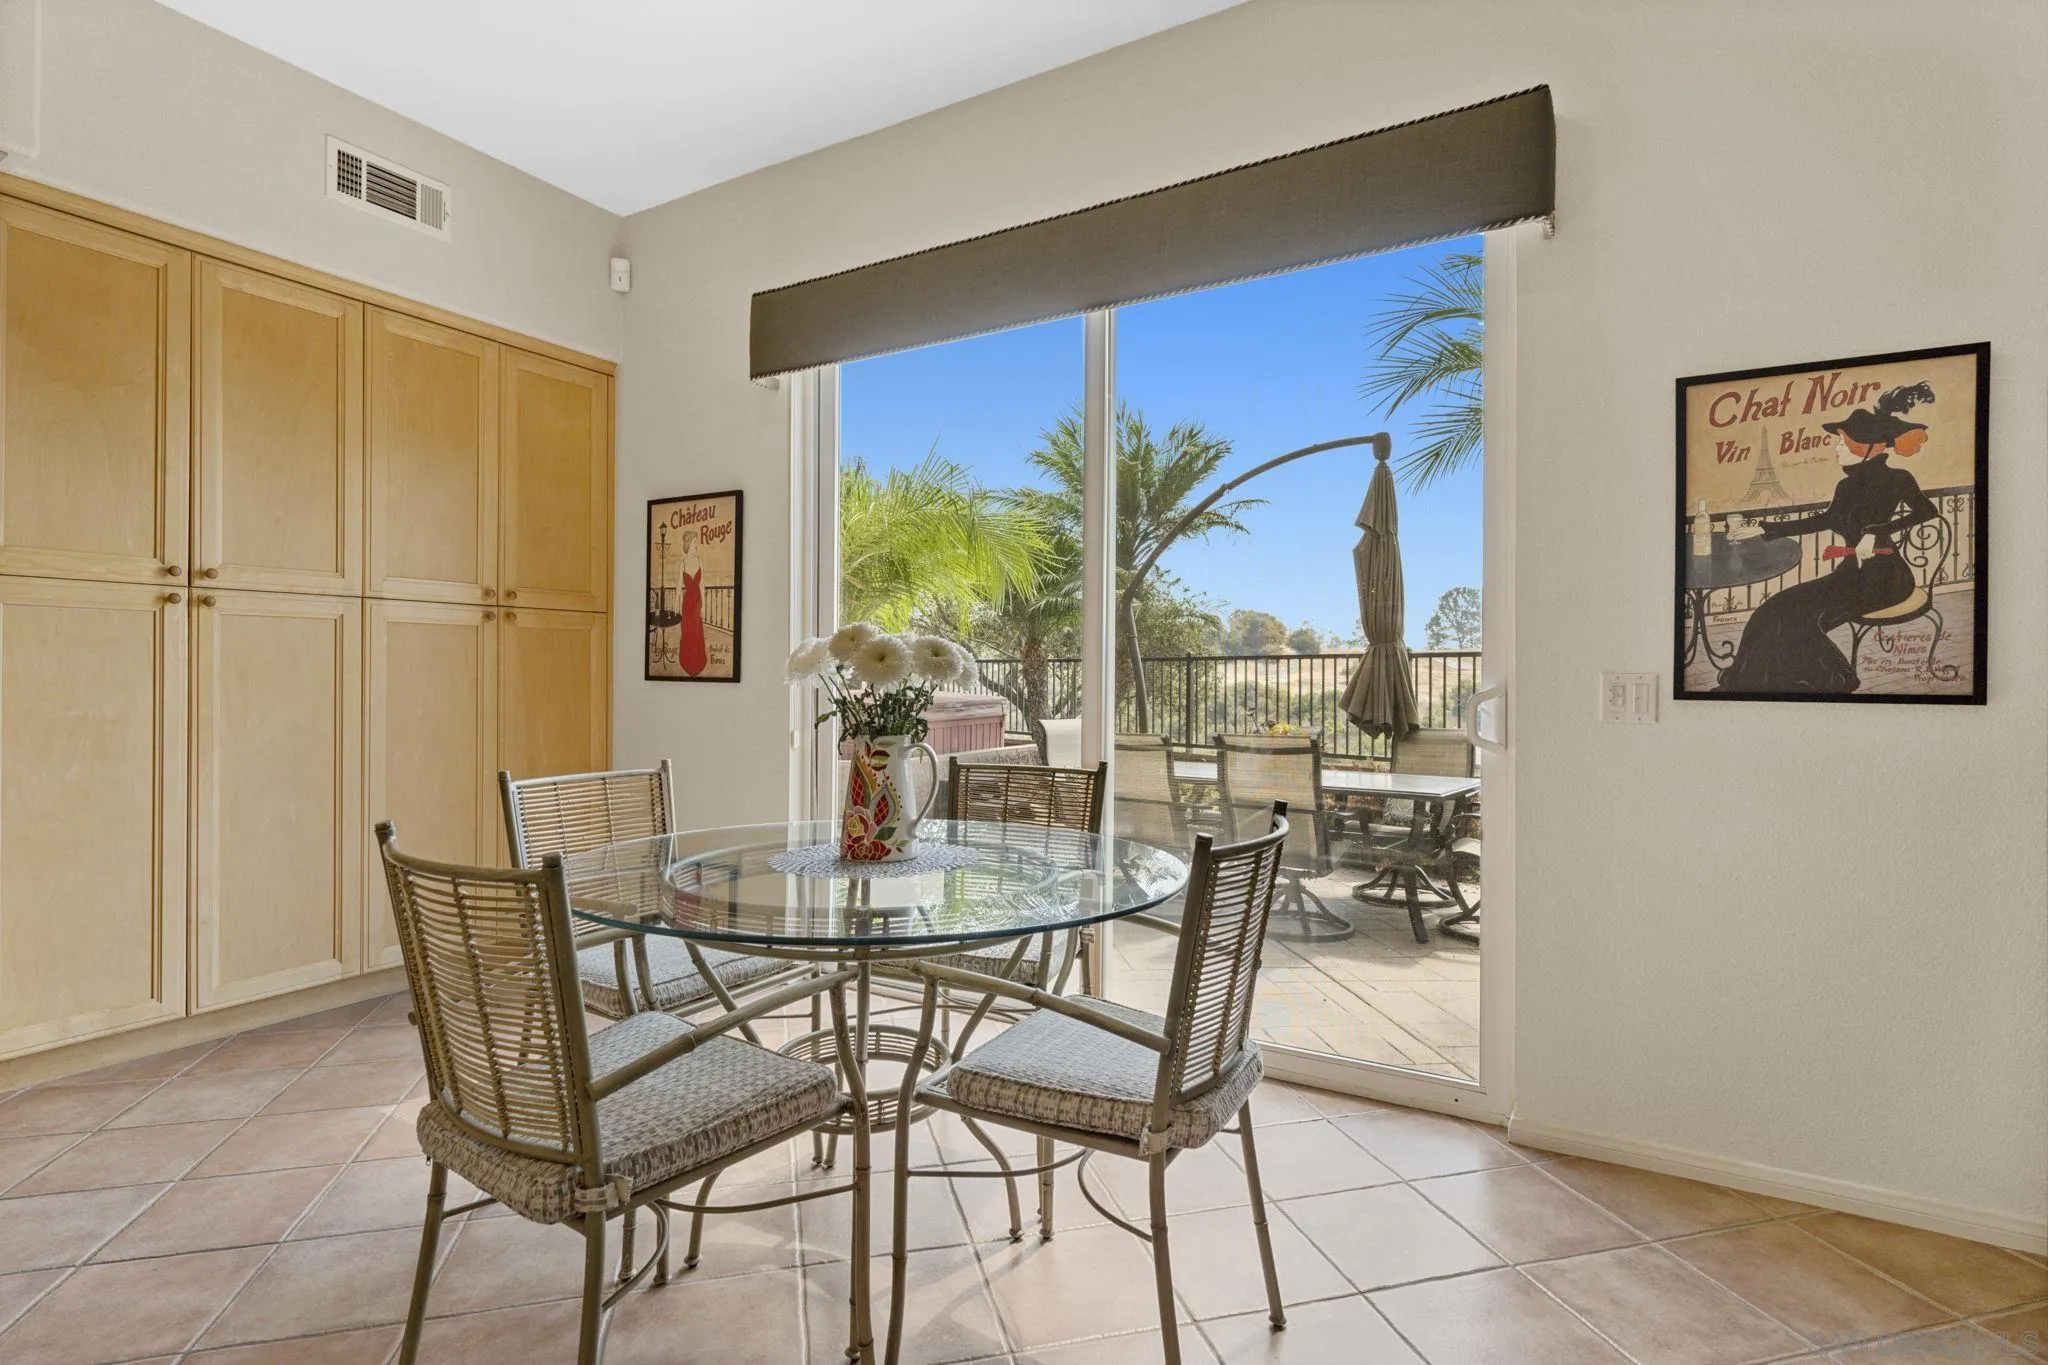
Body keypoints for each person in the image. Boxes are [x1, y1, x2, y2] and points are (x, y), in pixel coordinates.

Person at [1716, 382, 1939, 693]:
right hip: (1850, 575)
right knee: (1773, 609)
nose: (1837, 449)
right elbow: (1824, 520)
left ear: (1866, 448)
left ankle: (1829, 682)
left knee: (1800, 621)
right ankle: (1755, 686)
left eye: (1843, 444)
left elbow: (1928, 512)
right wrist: (1765, 528)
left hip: (1886, 579)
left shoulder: (1899, 479)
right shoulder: (1845, 488)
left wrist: (1878, 532)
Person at [675, 527, 708, 677]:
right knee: (688, 632)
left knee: (697, 632)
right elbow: (678, 590)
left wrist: (704, 607)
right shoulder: (683, 564)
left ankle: (698, 663)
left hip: (697, 604)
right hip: (688, 605)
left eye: (697, 543)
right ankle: (688, 663)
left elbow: (702, 586)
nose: (696, 546)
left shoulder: (700, 560)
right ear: (688, 544)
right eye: (694, 542)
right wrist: (676, 610)